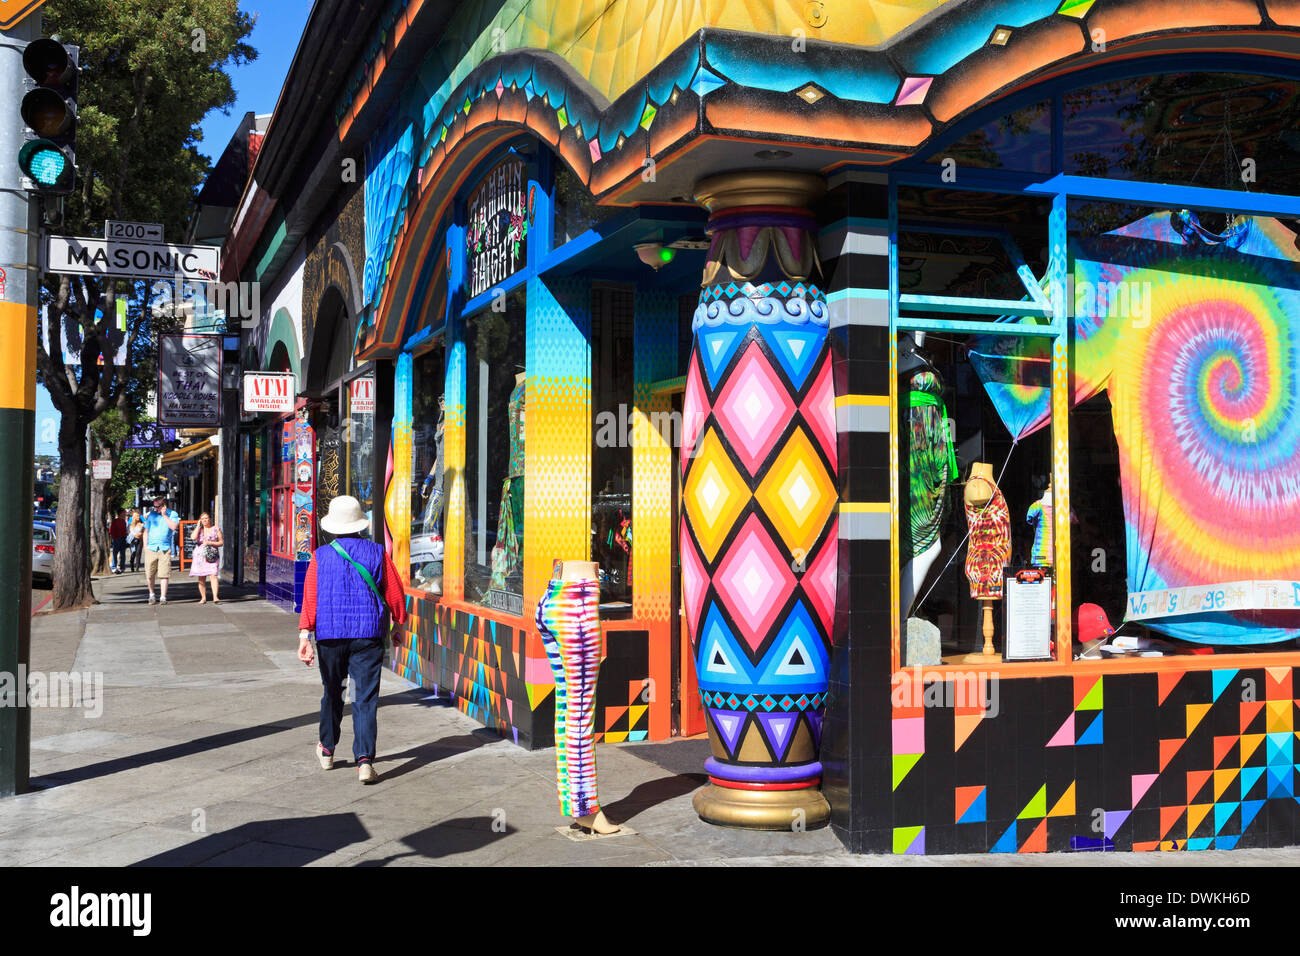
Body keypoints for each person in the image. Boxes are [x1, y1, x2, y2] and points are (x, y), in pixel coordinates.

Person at [297, 495, 406, 783]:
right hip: (368, 634)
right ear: (360, 524)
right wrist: (400, 625)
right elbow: (395, 592)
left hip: (331, 635)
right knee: (364, 697)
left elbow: (310, 598)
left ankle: (327, 750)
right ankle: (365, 761)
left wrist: (304, 636)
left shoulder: (320, 556)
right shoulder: (377, 552)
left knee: (333, 692)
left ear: (332, 527)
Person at [141, 497, 180, 605]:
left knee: (164, 573)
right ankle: (151, 594)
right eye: (154, 506)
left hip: (164, 548)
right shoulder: (151, 515)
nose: (155, 509)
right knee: (149, 573)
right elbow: (146, 531)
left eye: (157, 507)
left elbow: (173, 527)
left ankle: (163, 597)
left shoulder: (173, 514)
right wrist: (145, 546)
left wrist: (164, 515)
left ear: (164, 506)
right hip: (151, 548)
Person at [188, 512, 224, 603]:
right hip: (200, 556)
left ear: (209, 519)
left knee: (213, 575)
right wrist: (197, 526)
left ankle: (215, 597)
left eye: (206, 518)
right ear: (200, 520)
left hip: (212, 555)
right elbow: (193, 537)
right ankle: (203, 597)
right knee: (201, 577)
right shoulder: (199, 530)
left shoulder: (216, 529)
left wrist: (211, 543)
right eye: (203, 519)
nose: (205, 520)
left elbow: (221, 542)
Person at [109, 508, 128, 575]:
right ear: (121, 513)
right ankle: (114, 567)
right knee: (115, 553)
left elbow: (124, 530)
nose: (125, 514)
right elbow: (111, 531)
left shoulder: (123, 521)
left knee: (123, 554)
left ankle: (122, 567)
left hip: (122, 539)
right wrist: (115, 538)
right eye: (124, 513)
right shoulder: (116, 521)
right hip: (117, 539)